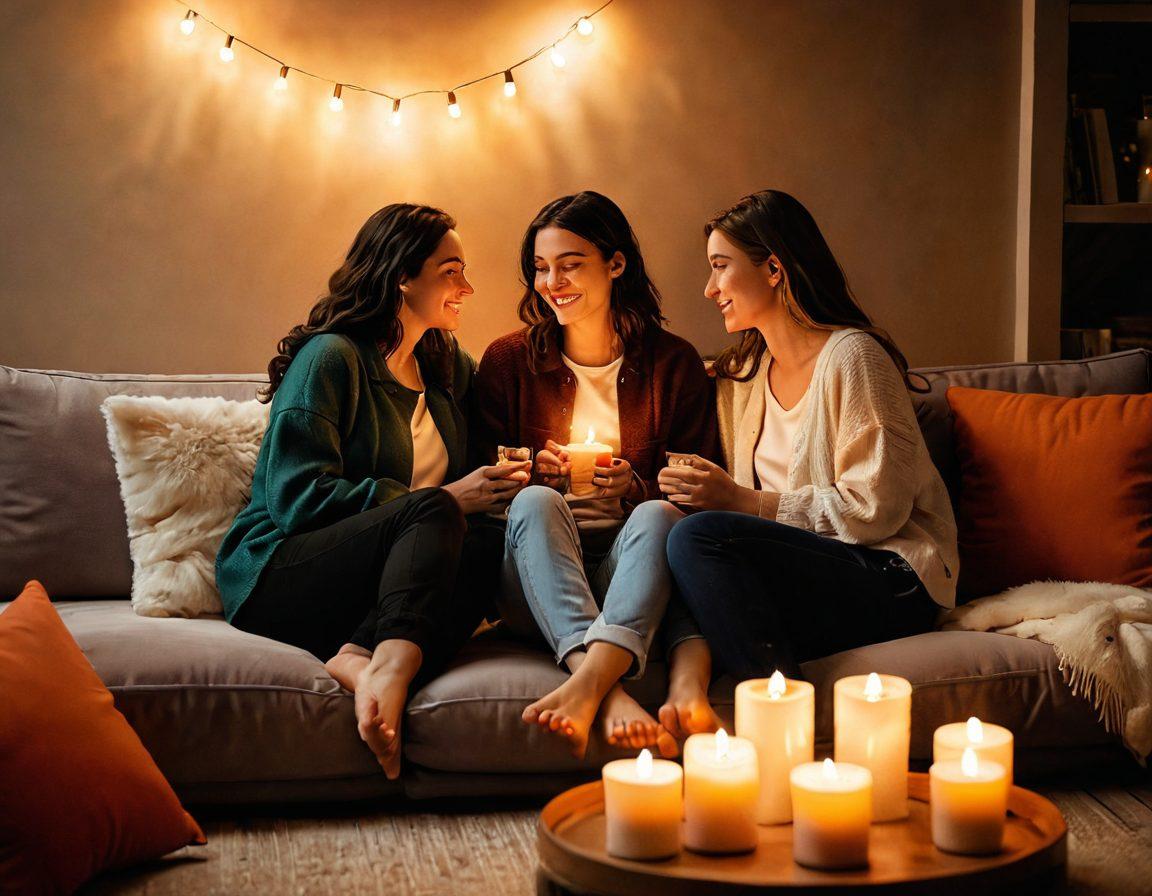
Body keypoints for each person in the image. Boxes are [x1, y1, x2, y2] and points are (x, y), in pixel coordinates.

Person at [216, 204, 530, 779]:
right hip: (280, 574)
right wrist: (436, 503)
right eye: (452, 271)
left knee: (488, 542)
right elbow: (297, 499)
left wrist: (540, 462)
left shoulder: (446, 367)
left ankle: (363, 657)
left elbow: (490, 446)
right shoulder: (331, 358)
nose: (468, 287)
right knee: (439, 507)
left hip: (382, 587)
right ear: (402, 277)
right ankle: (383, 663)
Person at [660, 190, 959, 681]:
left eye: (720, 266)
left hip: (893, 576)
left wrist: (742, 501)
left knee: (699, 538)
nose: (710, 288)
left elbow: (873, 509)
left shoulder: (853, 358)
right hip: (810, 572)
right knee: (666, 544)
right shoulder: (747, 375)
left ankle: (777, 716)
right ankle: (734, 696)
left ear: (774, 269)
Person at [473, 191, 722, 759]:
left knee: (662, 515)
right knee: (535, 503)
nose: (552, 281)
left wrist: (632, 492)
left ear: (616, 264)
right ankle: (605, 689)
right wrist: (528, 474)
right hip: (530, 579)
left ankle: (586, 684)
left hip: (631, 577)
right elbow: (478, 489)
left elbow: (700, 498)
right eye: (540, 267)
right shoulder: (507, 363)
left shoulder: (672, 364)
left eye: (570, 263)